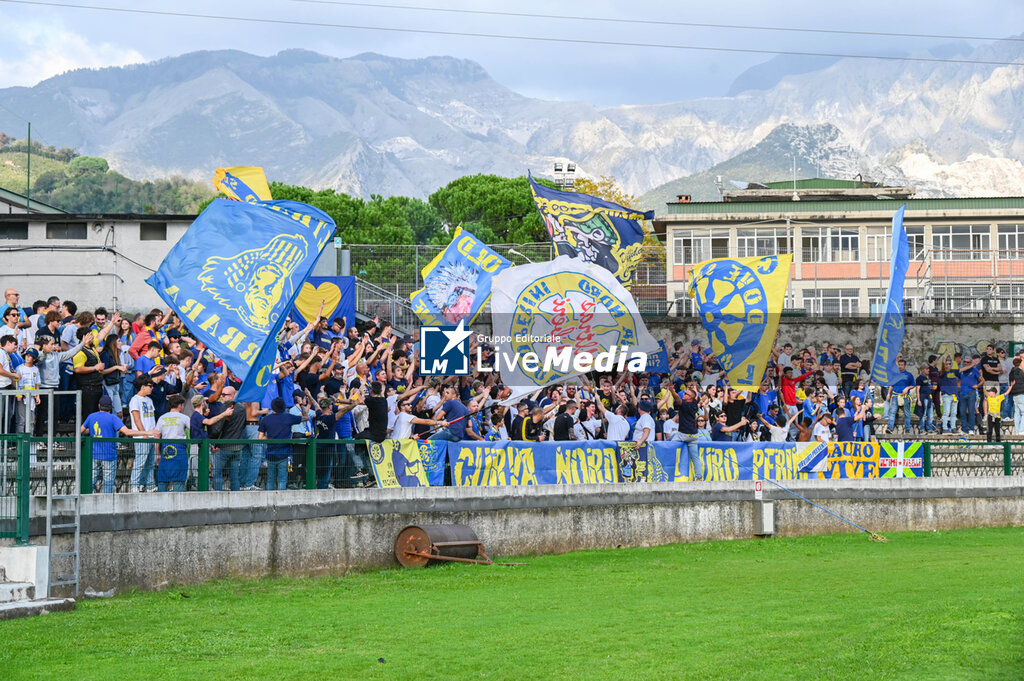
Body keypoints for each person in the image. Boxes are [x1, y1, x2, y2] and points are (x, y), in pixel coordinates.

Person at [259, 397, 309, 491]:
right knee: (282, 479)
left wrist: (270, 437)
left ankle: (269, 501)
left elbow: (260, 437)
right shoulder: (288, 417)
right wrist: (301, 404)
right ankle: (280, 502)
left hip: (270, 454)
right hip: (284, 453)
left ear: (272, 407)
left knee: (270, 479)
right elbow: (306, 417)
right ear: (283, 407)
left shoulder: (266, 419)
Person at [128, 376, 159, 492]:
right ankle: (134, 485)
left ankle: (150, 485)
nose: (152, 388)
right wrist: (144, 433)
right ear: (143, 387)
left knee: (150, 463)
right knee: (140, 461)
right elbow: (136, 419)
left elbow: (152, 418)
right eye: (150, 386)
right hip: (142, 436)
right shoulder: (135, 400)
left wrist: (154, 431)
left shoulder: (149, 400)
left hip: (151, 435)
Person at [155, 395, 190, 492]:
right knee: (179, 477)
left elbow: (157, 436)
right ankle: (179, 501)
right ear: (180, 405)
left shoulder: (162, 418)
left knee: (163, 477)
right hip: (180, 449)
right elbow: (194, 430)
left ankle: (161, 500)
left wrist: (157, 454)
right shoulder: (184, 417)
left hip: (165, 449)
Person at [884, 359, 916, 434]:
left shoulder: (909, 375)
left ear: (905, 366)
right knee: (892, 412)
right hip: (895, 395)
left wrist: (907, 388)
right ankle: (890, 428)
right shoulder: (895, 375)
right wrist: (889, 394)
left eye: (902, 365)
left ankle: (907, 429)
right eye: (899, 365)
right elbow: (891, 385)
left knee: (907, 413)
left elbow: (913, 385)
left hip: (904, 397)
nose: (900, 366)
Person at [1010, 357, 1024, 435]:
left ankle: (1017, 430)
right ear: (1020, 363)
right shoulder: (1020, 372)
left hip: (1014, 394)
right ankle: (1022, 430)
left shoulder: (1011, 372)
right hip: (1021, 394)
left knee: (1017, 413)